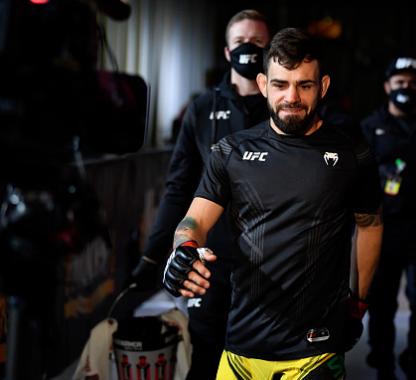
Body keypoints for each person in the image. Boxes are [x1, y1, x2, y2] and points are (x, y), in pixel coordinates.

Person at [162, 27, 383, 379]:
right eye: (280, 84)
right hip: (241, 347)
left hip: (316, 349)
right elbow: (195, 221)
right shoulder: (231, 152)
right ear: (264, 85)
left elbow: (369, 225)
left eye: (304, 85)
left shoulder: (352, 155)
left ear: (323, 87)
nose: (291, 97)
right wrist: (183, 249)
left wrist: (358, 302)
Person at [130, 9, 271, 380]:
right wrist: (153, 254)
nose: (249, 49)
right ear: (227, 52)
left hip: (270, 261)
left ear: (270, 51)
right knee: (206, 350)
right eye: (241, 42)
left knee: (258, 357)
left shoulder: (283, 109)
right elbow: (179, 188)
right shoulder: (202, 108)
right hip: (211, 258)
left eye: (258, 43)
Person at [361, 56, 416, 380]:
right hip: (383, 230)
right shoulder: (370, 127)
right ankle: (381, 360)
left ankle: (415, 353)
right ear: (387, 86)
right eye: (399, 83)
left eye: (412, 83)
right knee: (381, 300)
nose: (406, 89)